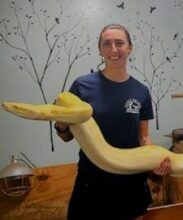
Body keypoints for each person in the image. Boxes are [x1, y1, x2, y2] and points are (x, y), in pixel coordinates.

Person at [54, 24, 171, 220]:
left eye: (119, 43)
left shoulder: (141, 91)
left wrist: (155, 162)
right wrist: (61, 123)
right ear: (100, 49)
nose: (114, 49)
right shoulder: (82, 86)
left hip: (131, 183)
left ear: (130, 48)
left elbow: (143, 138)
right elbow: (65, 136)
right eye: (107, 44)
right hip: (91, 183)